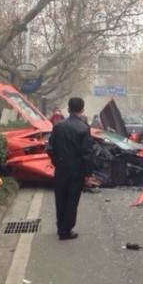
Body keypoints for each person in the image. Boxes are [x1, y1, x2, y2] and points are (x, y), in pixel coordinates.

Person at [46, 97, 97, 240]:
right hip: (76, 170)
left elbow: (50, 148)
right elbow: (87, 153)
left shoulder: (58, 126)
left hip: (61, 168)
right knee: (72, 199)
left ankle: (60, 225)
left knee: (60, 197)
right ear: (82, 110)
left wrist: (57, 161)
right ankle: (66, 230)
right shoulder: (84, 128)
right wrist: (88, 174)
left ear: (68, 110)